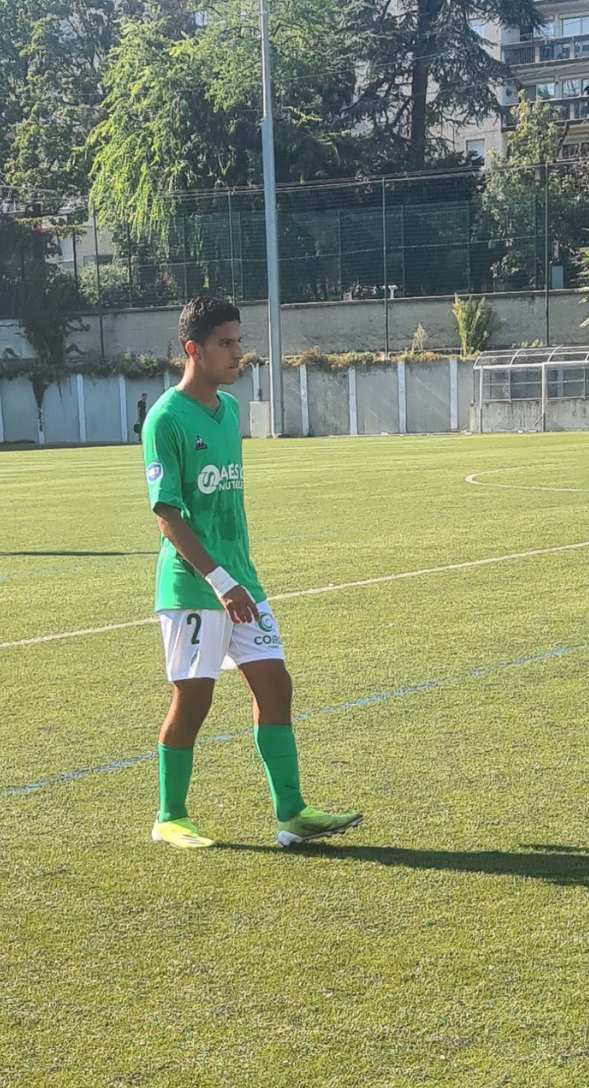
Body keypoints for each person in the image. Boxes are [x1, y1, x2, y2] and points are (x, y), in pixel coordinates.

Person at [140, 295, 362, 849]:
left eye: (239, 341)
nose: (240, 353)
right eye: (227, 344)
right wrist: (220, 580)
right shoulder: (165, 418)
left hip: (244, 581)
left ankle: (291, 813)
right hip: (195, 587)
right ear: (194, 350)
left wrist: (237, 578)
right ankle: (170, 816)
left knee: (275, 685)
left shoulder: (230, 411)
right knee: (194, 699)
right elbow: (167, 513)